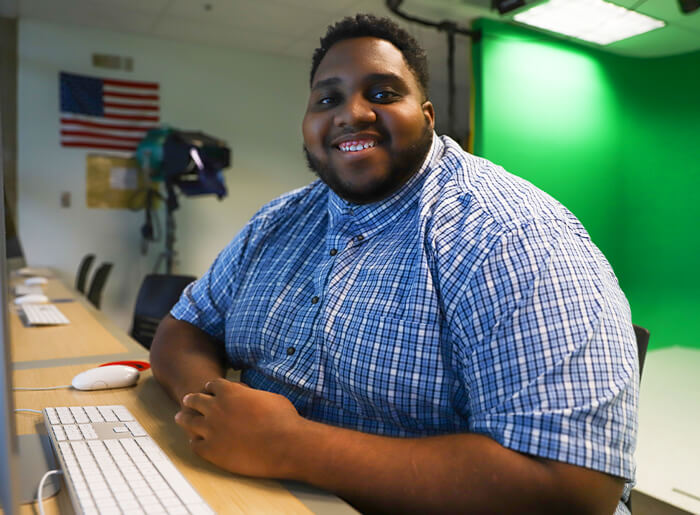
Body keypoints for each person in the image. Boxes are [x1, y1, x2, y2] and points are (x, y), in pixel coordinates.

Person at [151, 14, 638, 514]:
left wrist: (289, 446)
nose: (351, 114)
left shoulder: (511, 235)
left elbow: (575, 487)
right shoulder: (279, 220)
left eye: (382, 94)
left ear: (427, 116)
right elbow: (182, 330)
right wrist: (211, 412)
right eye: (327, 99)